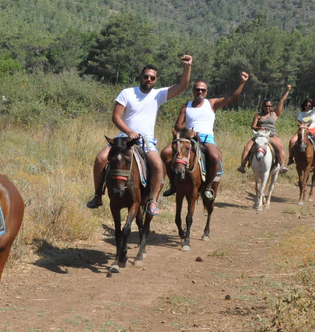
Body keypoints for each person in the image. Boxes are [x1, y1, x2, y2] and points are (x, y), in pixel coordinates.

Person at [86, 55, 193, 216]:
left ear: (156, 80)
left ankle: (153, 201)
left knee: (158, 166)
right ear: (141, 77)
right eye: (146, 76)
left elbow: (182, 85)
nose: (148, 79)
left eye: (152, 78)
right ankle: (97, 195)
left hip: (146, 140)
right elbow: (116, 117)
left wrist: (187, 67)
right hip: (124, 138)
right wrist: (129, 131)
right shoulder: (127, 93)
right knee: (101, 159)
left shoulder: (158, 95)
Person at [161, 71, 250, 199]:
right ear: (193, 91)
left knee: (214, 156)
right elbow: (177, 125)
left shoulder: (211, 103)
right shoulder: (186, 107)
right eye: (197, 89)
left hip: (206, 138)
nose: (200, 92)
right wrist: (188, 131)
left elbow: (231, 98)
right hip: (188, 138)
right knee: (165, 153)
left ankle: (208, 186)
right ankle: (173, 184)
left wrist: (241, 83)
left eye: (203, 90)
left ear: (206, 92)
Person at [237, 84, 292, 174]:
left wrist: (287, 91)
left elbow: (281, 101)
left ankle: (282, 166)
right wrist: (259, 128)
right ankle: (242, 166)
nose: (268, 108)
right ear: (263, 106)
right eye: (266, 106)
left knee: (280, 147)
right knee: (247, 147)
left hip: (272, 135)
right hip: (260, 135)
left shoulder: (274, 114)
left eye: (270, 106)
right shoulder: (258, 115)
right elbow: (253, 126)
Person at [288, 86, 315, 169]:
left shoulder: (314, 111)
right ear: (304, 105)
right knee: (292, 141)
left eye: (309, 105)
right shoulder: (301, 114)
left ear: (311, 105)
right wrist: (301, 125)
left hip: (314, 129)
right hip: (303, 130)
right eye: (306, 105)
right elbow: (298, 122)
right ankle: (291, 158)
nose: (307, 107)